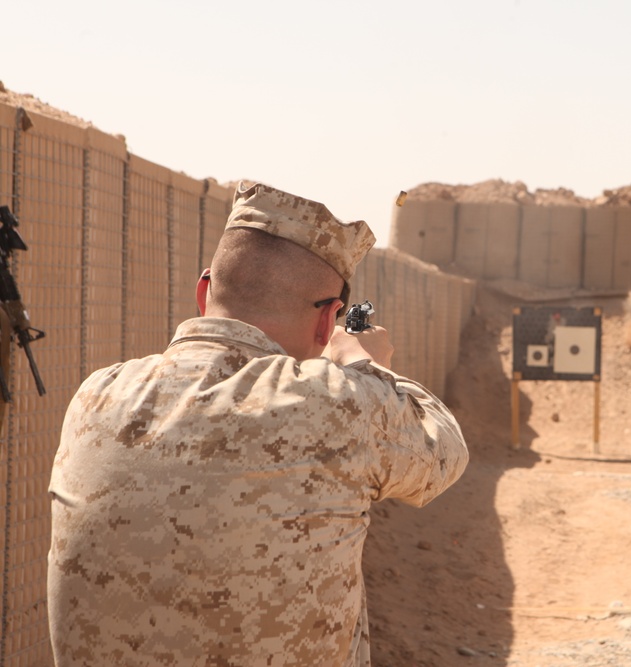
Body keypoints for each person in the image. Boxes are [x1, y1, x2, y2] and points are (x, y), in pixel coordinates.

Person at [47, 182, 469, 666]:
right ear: (328, 320)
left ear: (205, 291)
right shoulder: (338, 404)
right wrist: (365, 368)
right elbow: (444, 451)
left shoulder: (97, 393)